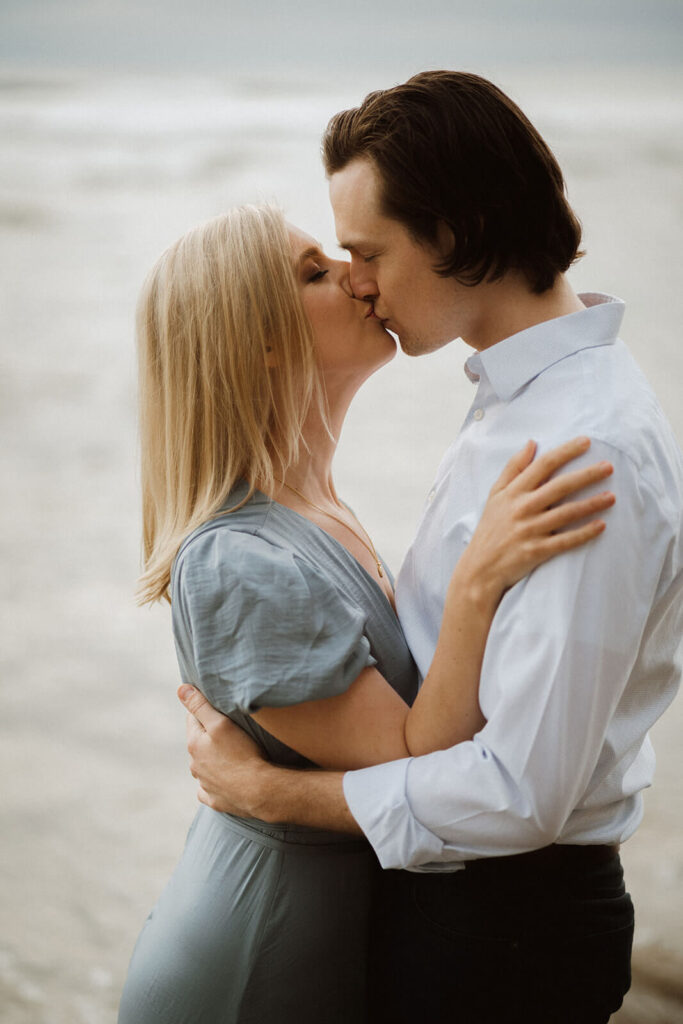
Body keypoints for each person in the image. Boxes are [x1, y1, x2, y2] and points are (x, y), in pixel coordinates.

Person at [179, 72, 683, 1024]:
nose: (358, 280)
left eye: (367, 251)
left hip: (505, 936)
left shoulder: (582, 448)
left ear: (452, 233)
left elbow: (518, 793)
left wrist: (275, 795)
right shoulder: (517, 402)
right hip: (469, 912)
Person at [118, 204, 614, 1024]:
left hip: (327, 934)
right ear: (260, 341)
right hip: (256, 959)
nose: (356, 277)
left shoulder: (314, 509)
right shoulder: (239, 559)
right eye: (315, 272)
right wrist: (477, 582)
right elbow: (416, 752)